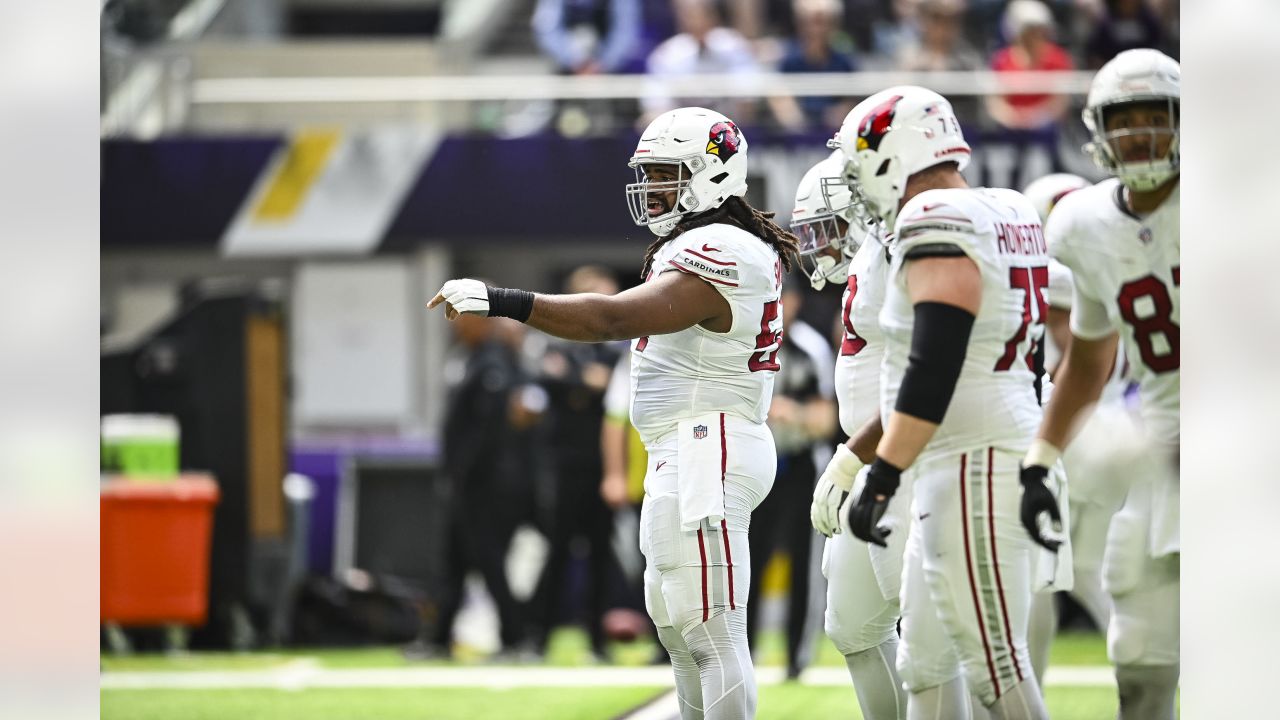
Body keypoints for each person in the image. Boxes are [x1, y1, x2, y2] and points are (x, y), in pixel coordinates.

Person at [431, 106, 801, 719]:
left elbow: (612, 318)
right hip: (684, 446)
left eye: (667, 174)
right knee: (681, 633)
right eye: (650, 174)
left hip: (711, 444)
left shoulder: (725, 247)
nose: (653, 188)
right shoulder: (699, 245)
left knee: (711, 632)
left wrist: (505, 300)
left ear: (712, 174)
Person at [835, 85, 1067, 719]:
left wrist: (882, 473)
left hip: (972, 459)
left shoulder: (933, 214)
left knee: (995, 667)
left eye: (862, 160)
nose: (857, 181)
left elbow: (936, 360)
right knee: (927, 665)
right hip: (996, 442)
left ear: (896, 151)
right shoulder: (1010, 207)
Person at [1019, 49, 1180, 719]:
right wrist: (1041, 457)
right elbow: (1088, 360)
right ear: (1098, 131)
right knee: (1138, 659)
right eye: (1126, 119)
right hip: (1160, 455)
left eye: (1155, 117)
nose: (1140, 133)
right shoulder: (1081, 224)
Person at [795, 152, 915, 718]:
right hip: (868, 460)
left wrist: (848, 458)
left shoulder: (895, 254)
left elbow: (922, 378)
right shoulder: (868, 263)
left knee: (927, 637)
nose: (818, 245)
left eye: (826, 228)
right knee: (851, 624)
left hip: (907, 460)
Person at [1021, 172, 1136, 686]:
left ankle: (1149, 672)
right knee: (1072, 574)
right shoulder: (1114, 258)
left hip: (1078, 431)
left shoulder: (1059, 272)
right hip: (1112, 424)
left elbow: (1075, 354)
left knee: (1054, 574)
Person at [409, 311, 530, 660]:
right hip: (465, 482)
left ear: (482, 319)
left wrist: (461, 474)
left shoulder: (493, 361)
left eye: (462, 317)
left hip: (483, 483)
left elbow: (486, 432)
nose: (455, 324)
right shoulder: (470, 357)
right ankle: (438, 638)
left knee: (489, 560)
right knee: (454, 561)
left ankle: (514, 638)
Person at [527, 266, 626, 662]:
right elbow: (549, 379)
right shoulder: (557, 339)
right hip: (563, 462)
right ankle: (540, 636)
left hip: (603, 463)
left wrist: (579, 381)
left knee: (602, 553)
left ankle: (597, 642)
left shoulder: (617, 344)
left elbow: (618, 384)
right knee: (558, 550)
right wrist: (586, 381)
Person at [745, 282, 837, 681]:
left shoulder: (810, 348)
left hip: (799, 463)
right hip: (753, 465)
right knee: (748, 562)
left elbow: (826, 421)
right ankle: (741, 655)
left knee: (803, 561)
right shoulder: (746, 341)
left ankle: (796, 658)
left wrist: (791, 413)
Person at [641, 0, 761, 125]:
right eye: (690, 17)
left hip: (727, 122)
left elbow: (747, 91)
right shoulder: (668, 53)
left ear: (714, 18)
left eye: (703, 16)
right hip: (682, 123)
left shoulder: (733, 45)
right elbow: (656, 99)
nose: (697, 23)